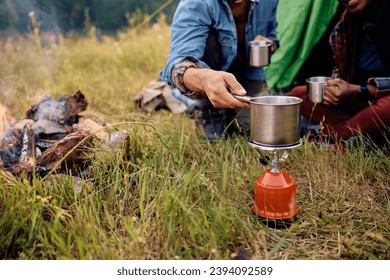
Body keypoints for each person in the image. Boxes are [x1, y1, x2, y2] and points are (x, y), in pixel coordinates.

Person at [160, 0, 279, 142]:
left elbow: (272, 34)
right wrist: (204, 79)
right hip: (210, 73)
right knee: (214, 139)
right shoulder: (196, 3)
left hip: (248, 74)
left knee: (259, 129)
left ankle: (226, 107)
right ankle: (205, 106)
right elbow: (177, 65)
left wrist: (270, 44)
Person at [290, 0, 390, 148]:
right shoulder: (346, 25)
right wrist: (334, 90)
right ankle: (365, 134)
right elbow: (341, 76)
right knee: (298, 96)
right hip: (363, 106)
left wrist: (358, 90)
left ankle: (334, 135)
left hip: (382, 103)